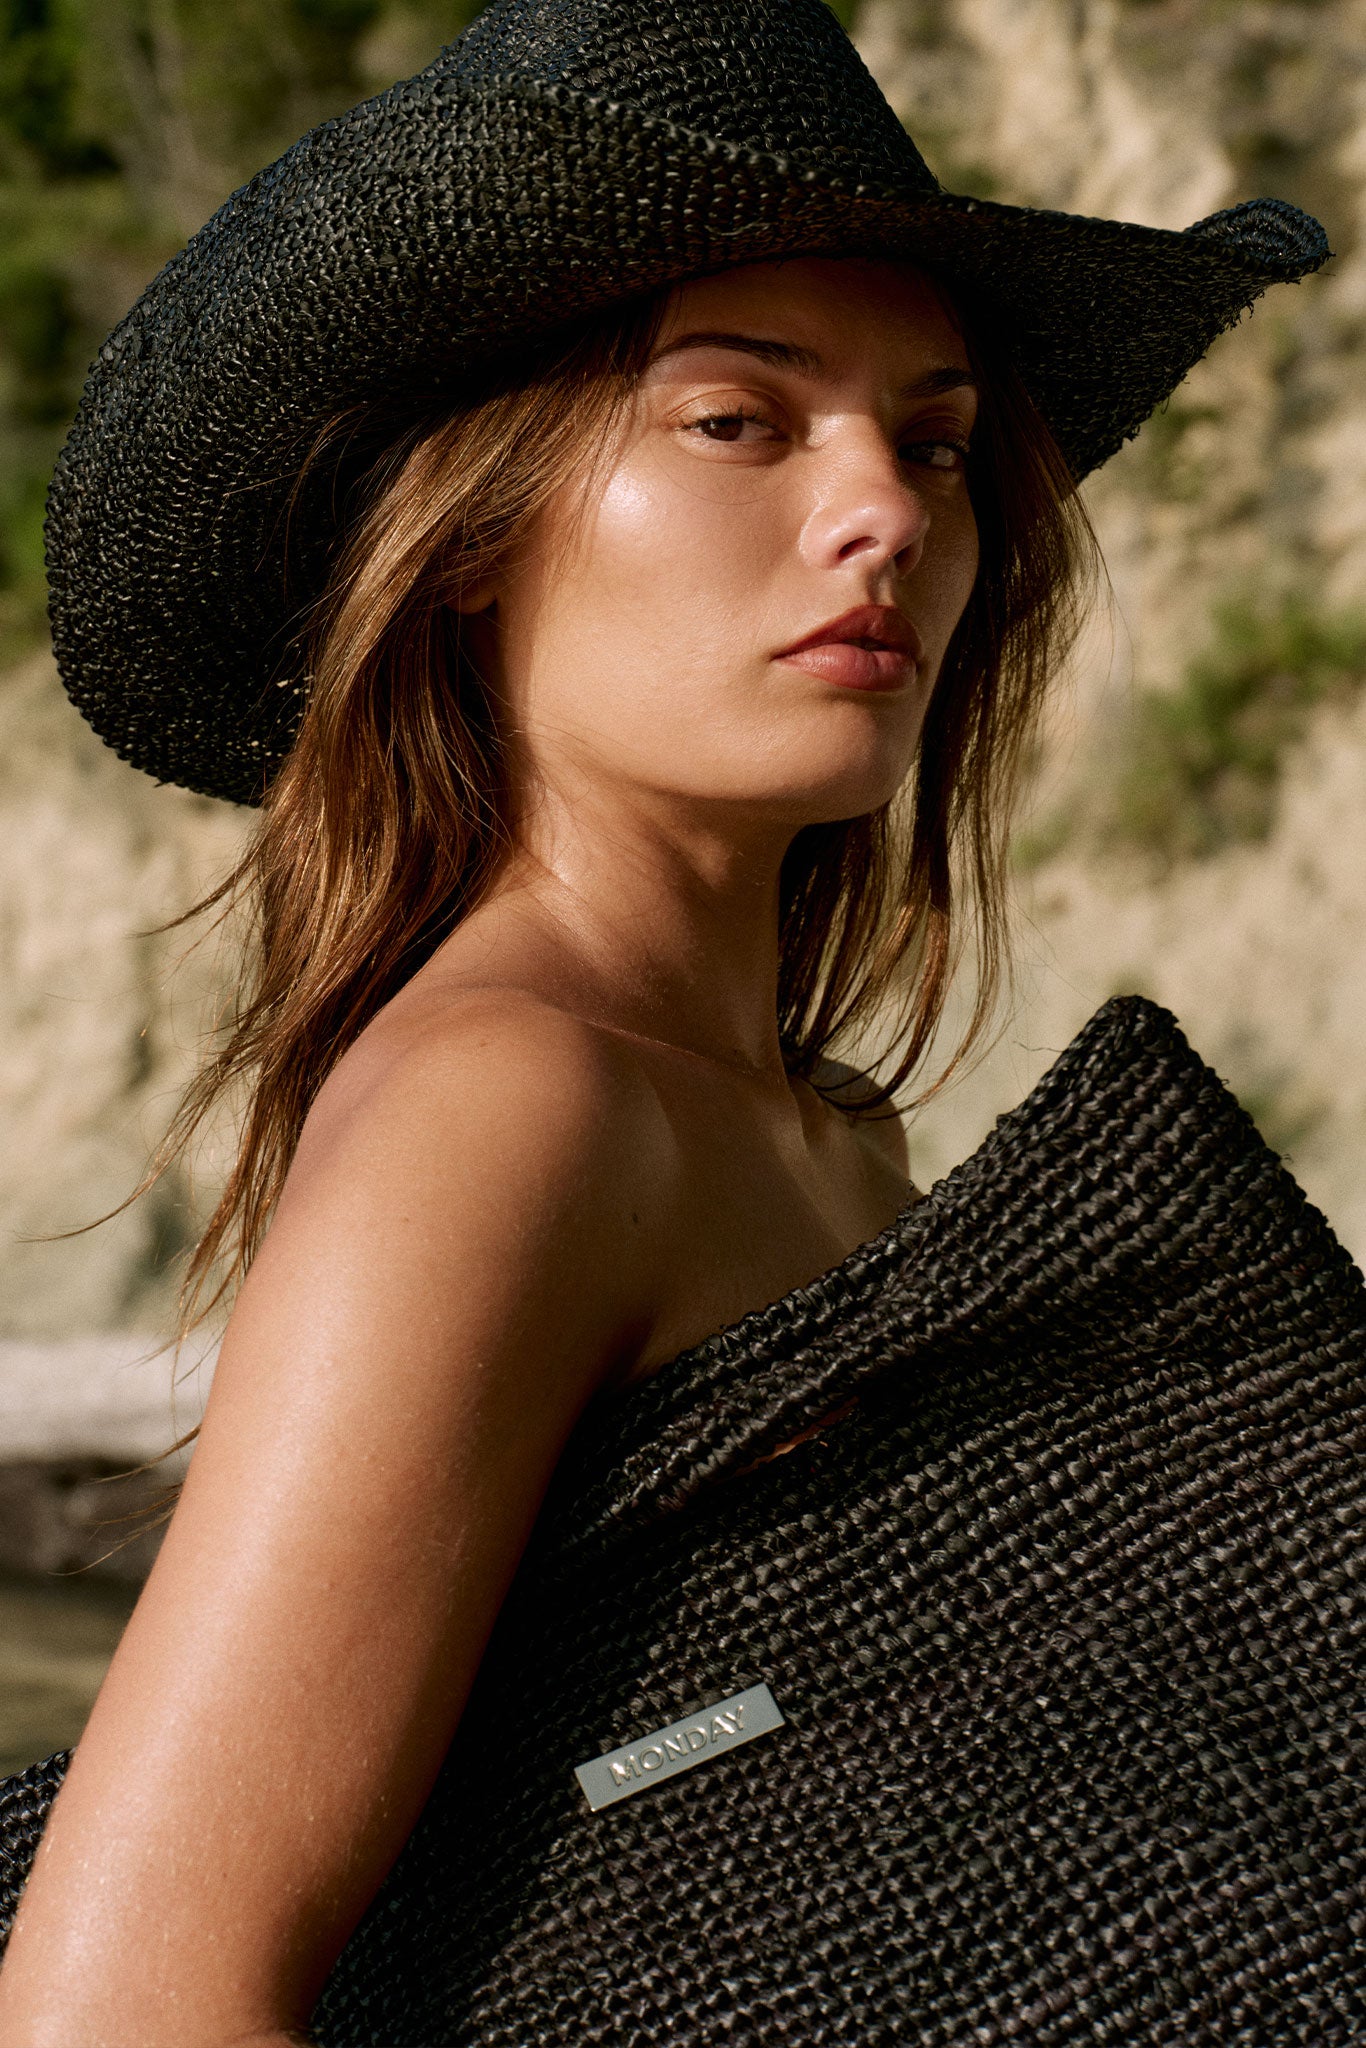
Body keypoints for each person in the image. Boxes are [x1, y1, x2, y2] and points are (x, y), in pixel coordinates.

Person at [0, 1, 1336, 2043]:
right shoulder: (509, 1100)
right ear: (468, 542)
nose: (881, 509)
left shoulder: (813, 1123)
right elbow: (124, 2001)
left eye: (935, 436)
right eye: (739, 420)